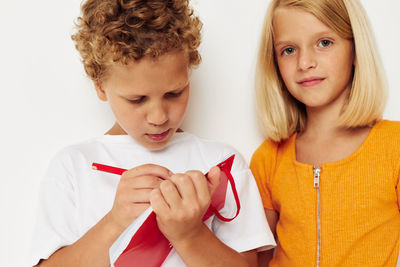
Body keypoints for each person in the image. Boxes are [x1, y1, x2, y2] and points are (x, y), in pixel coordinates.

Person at [30, 0, 275, 266]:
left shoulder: (221, 165)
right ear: (100, 87)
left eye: (174, 93)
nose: (159, 117)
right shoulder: (74, 167)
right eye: (137, 100)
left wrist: (190, 235)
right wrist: (115, 222)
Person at [250, 0, 400, 266]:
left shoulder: (394, 146)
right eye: (288, 50)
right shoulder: (269, 157)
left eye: (324, 43)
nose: (305, 62)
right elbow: (254, 261)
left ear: (355, 50)